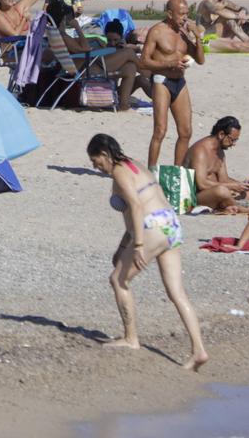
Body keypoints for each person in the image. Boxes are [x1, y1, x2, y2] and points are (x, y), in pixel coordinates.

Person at [86, 133, 209, 371]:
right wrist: (123, 248)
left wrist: (139, 246)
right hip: (170, 224)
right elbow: (132, 215)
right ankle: (199, 350)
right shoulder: (134, 164)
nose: (95, 167)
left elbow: (135, 206)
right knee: (177, 293)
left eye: (96, 162)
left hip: (151, 226)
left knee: (118, 280)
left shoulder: (120, 172)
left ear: (104, 155)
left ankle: (131, 338)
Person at [138, 0, 203, 170]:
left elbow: (201, 60)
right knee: (160, 130)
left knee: (186, 132)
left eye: (187, 13)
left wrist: (198, 37)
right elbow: (143, 62)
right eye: (181, 14)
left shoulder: (183, 33)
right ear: (169, 13)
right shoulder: (157, 31)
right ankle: (151, 170)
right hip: (161, 81)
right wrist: (169, 63)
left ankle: (177, 171)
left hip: (179, 82)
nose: (185, 17)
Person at [183, 117, 249, 212]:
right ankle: (242, 209)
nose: (233, 144)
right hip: (195, 197)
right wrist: (232, 186)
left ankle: (228, 205)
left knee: (248, 192)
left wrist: (240, 185)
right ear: (221, 134)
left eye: (235, 140)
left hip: (215, 193)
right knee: (222, 191)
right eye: (232, 140)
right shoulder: (201, 151)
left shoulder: (220, 152)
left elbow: (224, 179)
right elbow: (201, 184)